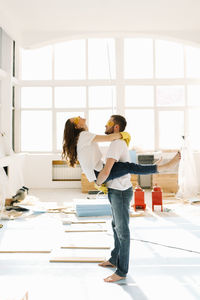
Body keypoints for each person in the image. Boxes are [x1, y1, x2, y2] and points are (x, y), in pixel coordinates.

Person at [62, 116, 180, 187]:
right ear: (77, 127)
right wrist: (124, 134)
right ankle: (165, 166)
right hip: (97, 173)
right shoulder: (84, 135)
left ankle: (154, 167)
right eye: (77, 119)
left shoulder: (82, 137)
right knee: (129, 167)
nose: (80, 117)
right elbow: (109, 138)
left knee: (129, 166)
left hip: (96, 171)